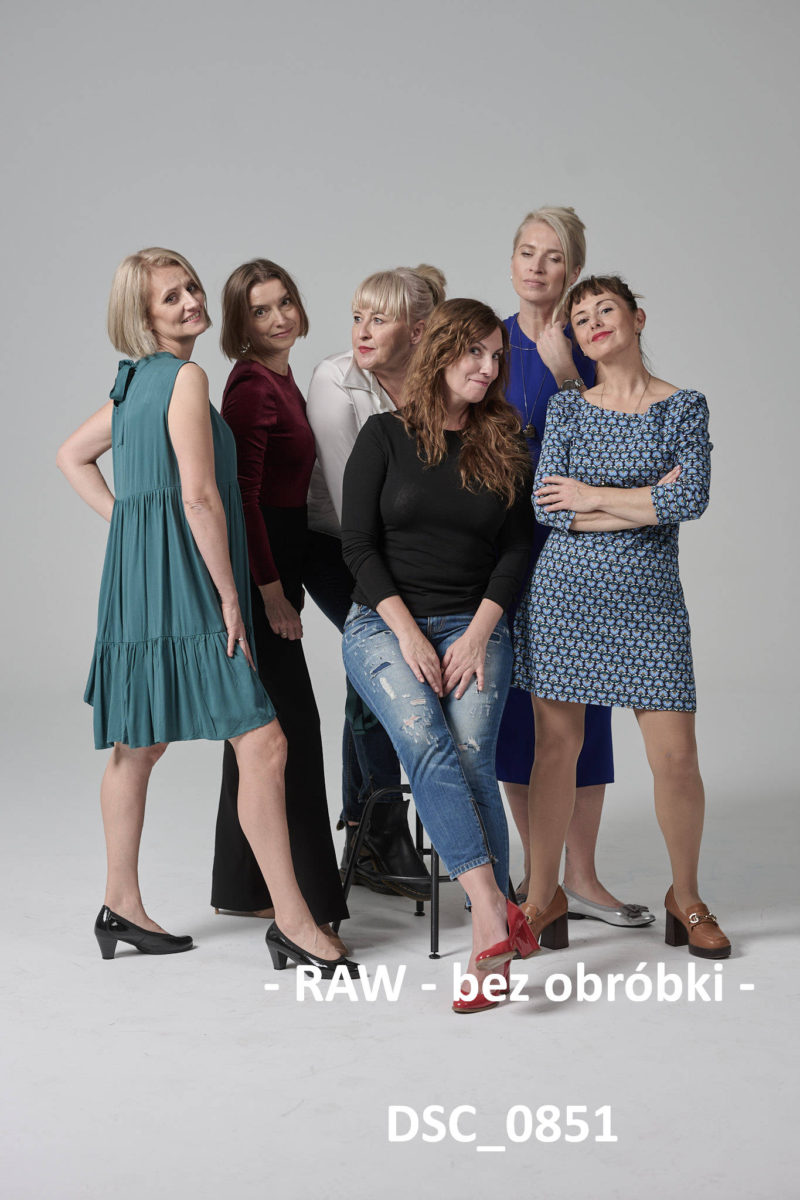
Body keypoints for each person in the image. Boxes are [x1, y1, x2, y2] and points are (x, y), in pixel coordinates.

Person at [56, 247, 356, 977]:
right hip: (191, 584)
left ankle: (120, 905)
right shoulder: (185, 378)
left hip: (136, 589)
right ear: (143, 314)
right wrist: (230, 594)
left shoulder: (134, 382)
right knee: (265, 745)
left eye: (191, 287)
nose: (191, 301)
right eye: (171, 297)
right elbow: (199, 497)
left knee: (138, 746)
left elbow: (71, 456)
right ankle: (293, 922)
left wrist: (133, 531)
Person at [505, 274, 730, 961]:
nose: (594, 321)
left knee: (676, 759)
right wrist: (642, 499)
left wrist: (593, 496)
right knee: (554, 752)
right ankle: (544, 895)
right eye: (581, 317)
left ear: (636, 318)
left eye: (606, 309)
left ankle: (686, 897)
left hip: (649, 605)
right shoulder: (568, 409)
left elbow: (690, 499)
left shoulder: (683, 407)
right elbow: (549, 508)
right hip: (564, 599)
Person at [341, 298, 540, 1013]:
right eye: (475, 352)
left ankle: (491, 935)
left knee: (472, 753)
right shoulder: (384, 435)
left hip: (475, 622)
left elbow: (517, 548)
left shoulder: (504, 440)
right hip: (384, 625)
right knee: (427, 738)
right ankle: (494, 911)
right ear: (442, 352)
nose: (488, 368)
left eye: (496, 356)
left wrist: (479, 632)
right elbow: (357, 545)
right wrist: (408, 633)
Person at [497, 205, 653, 930]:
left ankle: (581, 876)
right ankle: (542, 882)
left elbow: (622, 448)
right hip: (502, 545)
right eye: (527, 252)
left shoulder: (594, 340)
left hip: (584, 545)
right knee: (514, 710)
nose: (537, 267)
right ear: (511, 262)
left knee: (584, 709)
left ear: (575, 270)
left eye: (553, 256)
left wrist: (564, 369)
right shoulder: (488, 340)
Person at [208, 259, 348, 947]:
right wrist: (268, 592)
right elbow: (242, 498)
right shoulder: (251, 386)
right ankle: (310, 905)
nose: (279, 318)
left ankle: (244, 888)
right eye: (260, 310)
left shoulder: (283, 378)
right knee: (292, 727)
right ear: (242, 323)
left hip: (286, 554)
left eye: (285, 302)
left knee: (256, 725)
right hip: (263, 562)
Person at [305, 265, 446, 901]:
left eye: (378, 320)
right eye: (357, 316)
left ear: (417, 332)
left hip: (406, 550)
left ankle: (367, 830)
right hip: (335, 546)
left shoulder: (436, 381)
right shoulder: (336, 383)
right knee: (381, 659)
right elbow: (353, 514)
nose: (361, 331)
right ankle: (381, 827)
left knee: (375, 671)